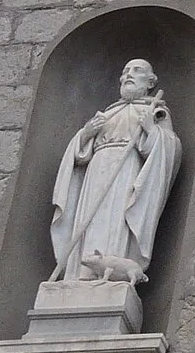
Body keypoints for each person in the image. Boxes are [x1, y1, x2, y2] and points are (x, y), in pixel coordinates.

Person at [48, 58, 182, 284]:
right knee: (89, 221)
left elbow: (170, 150)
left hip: (126, 172)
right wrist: (86, 134)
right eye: (126, 71)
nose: (129, 74)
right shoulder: (109, 113)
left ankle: (111, 275)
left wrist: (151, 130)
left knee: (115, 218)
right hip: (95, 172)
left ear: (150, 82)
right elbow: (79, 156)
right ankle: (79, 274)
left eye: (137, 70)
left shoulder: (154, 111)